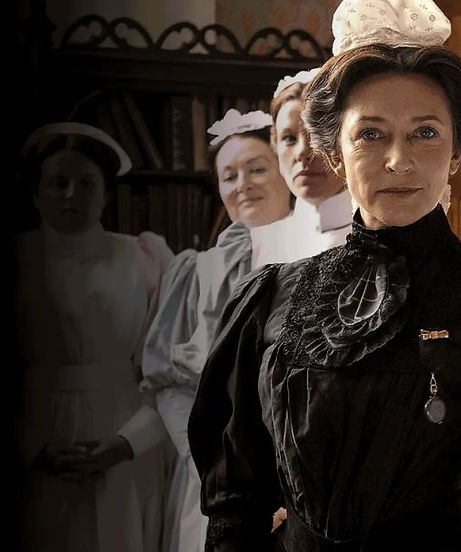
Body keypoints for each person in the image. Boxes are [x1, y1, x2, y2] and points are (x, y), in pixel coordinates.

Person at [187, 0, 461, 550]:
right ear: (334, 153)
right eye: (370, 135)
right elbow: (234, 508)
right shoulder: (272, 297)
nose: (398, 160)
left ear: (455, 154)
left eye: (424, 133)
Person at [15, 122, 175, 551]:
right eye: (58, 182)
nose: (72, 194)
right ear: (36, 192)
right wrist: (35, 447)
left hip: (126, 432)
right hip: (39, 434)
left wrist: (129, 442)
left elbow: (174, 365)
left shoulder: (144, 258)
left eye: (86, 183)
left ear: (105, 193)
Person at [141, 109, 292, 552]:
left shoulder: (320, 253)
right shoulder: (196, 271)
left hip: (297, 477)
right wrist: (204, 461)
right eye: (229, 176)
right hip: (212, 473)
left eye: (257, 169)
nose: (242, 184)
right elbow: (168, 383)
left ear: (285, 172)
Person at [249, 69, 354, 267]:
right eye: (289, 138)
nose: (302, 152)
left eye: (315, 137)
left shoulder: (377, 237)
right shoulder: (261, 245)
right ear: (275, 145)